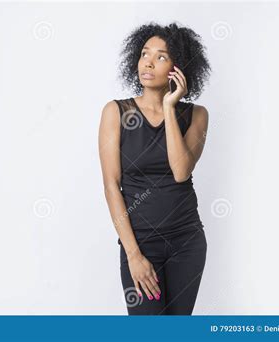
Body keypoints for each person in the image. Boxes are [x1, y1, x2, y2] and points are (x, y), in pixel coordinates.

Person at [98, 22, 211, 315]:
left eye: (161, 56)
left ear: (179, 67)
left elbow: (180, 171)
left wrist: (170, 107)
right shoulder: (116, 112)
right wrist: (133, 255)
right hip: (141, 242)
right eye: (145, 53)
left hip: (187, 242)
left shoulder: (196, 115)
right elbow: (111, 185)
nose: (148, 62)